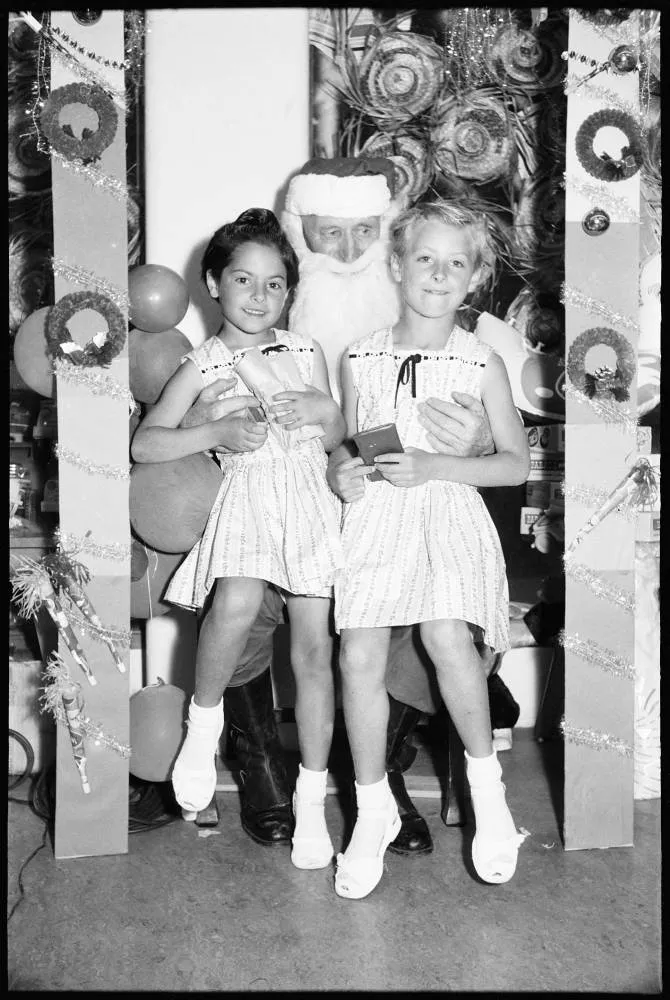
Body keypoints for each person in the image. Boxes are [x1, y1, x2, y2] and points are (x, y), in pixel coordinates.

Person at [182, 156, 518, 854]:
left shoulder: (452, 337)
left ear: (385, 240)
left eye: (363, 231)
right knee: (248, 605)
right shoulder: (271, 320)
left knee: (415, 625)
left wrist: (474, 442)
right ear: (297, 235)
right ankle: (260, 762)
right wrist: (207, 429)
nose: (345, 250)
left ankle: (382, 774)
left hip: (392, 512)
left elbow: (443, 432)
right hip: (288, 510)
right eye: (327, 233)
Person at [132, 208, 346, 871]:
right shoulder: (205, 362)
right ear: (213, 283)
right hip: (250, 497)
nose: (259, 295)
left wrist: (327, 413)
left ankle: (311, 800)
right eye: (244, 280)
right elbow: (146, 443)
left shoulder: (306, 351)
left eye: (275, 283)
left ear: (290, 292)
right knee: (236, 600)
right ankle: (203, 731)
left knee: (315, 652)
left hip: (310, 503)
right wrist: (216, 433)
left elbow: (334, 437)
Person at [332, 201, 530, 899]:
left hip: (447, 509)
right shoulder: (358, 357)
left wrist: (435, 466)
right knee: (357, 654)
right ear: (396, 265)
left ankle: (488, 792)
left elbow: (514, 465)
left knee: (447, 635)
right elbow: (349, 447)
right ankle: (371, 808)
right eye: (425, 258)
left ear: (475, 278)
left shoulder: (482, 362)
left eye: (456, 263)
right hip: (378, 517)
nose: (439, 274)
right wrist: (340, 473)